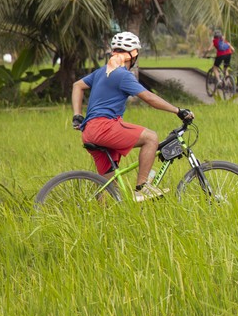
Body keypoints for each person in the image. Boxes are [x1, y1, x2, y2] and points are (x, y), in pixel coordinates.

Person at [71, 32, 194, 201]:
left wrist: (77, 115)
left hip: (89, 131)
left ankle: (100, 218)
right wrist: (178, 110)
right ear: (133, 55)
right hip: (104, 127)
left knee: (108, 186)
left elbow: (77, 85)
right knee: (151, 138)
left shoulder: (101, 72)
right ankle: (142, 188)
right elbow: (149, 98)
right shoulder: (122, 74)